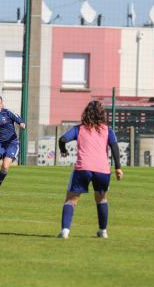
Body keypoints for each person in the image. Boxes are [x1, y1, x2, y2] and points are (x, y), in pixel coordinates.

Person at [57, 100, 124, 239]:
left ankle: (65, 231)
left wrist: (63, 151)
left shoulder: (79, 129)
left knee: (71, 200)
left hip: (83, 169)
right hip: (102, 170)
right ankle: (103, 231)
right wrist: (118, 168)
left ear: (86, 113)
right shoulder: (108, 130)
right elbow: (115, 147)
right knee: (101, 200)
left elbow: (62, 139)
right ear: (102, 115)